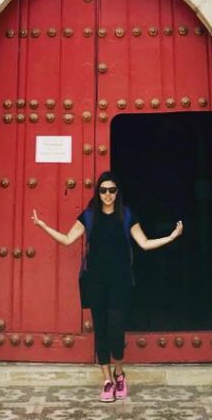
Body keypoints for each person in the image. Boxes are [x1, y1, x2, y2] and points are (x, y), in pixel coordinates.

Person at [32, 171, 183, 403]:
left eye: (112, 190)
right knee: (100, 330)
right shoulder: (89, 216)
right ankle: (106, 381)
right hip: (96, 281)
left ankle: (120, 373)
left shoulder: (126, 215)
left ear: (117, 192)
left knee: (116, 329)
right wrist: (43, 226)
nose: (108, 195)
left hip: (120, 282)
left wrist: (171, 237)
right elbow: (66, 239)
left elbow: (144, 243)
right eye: (103, 190)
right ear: (98, 192)